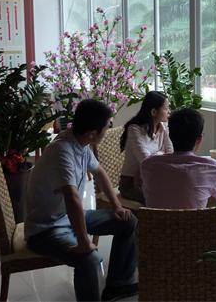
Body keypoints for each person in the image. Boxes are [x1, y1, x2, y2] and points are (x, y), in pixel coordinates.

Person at [25, 99, 138, 302]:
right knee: (89, 259)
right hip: (45, 229)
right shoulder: (62, 151)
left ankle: (118, 285)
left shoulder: (79, 142)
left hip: (66, 218)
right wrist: (84, 241)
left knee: (128, 221)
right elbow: (71, 197)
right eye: (107, 126)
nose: (108, 130)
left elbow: (99, 173)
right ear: (93, 133)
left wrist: (117, 206)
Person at [140, 108, 216, 209]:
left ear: (170, 135)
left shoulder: (148, 164)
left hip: (154, 219)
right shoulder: (212, 167)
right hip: (196, 220)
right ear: (199, 139)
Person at [119, 91, 172, 204]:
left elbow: (171, 154)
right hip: (131, 184)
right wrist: (161, 153)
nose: (169, 111)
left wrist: (157, 155)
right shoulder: (134, 129)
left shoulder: (163, 127)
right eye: (166, 108)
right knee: (164, 199)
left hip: (156, 180)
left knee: (178, 193)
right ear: (154, 112)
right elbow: (146, 162)